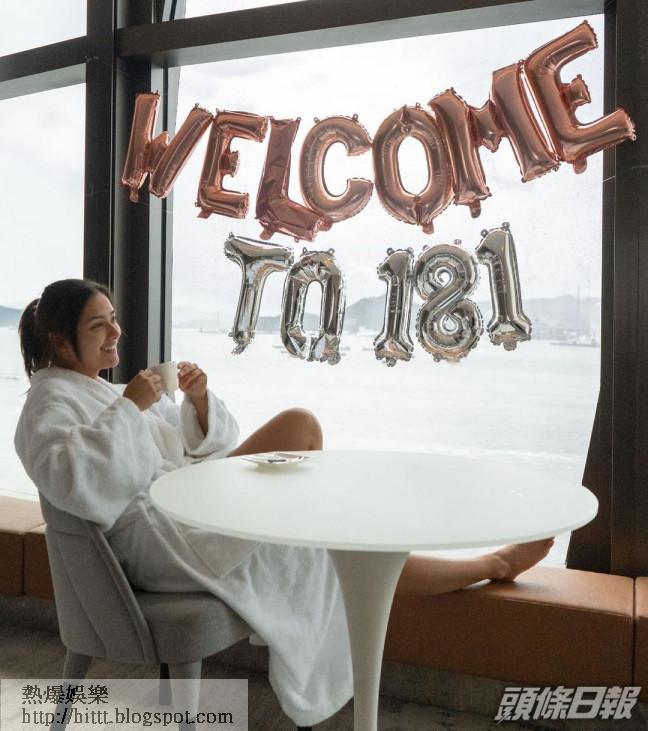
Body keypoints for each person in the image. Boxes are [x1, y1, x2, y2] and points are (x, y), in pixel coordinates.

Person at [14, 278, 553, 726]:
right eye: (98, 326)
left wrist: (197, 402)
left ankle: (331, 518)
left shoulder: (101, 391)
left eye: (113, 320)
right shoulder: (48, 405)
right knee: (330, 548)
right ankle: (490, 564)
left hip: (180, 510)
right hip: (161, 543)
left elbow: (183, 448)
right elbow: (76, 483)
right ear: (61, 341)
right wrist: (132, 407)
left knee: (300, 424)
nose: (116, 332)